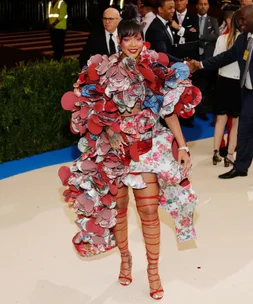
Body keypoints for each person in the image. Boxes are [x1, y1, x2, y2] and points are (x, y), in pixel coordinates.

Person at [59, 4, 200, 300]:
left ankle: (153, 270)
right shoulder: (105, 71)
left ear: (142, 39)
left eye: (137, 37)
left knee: (149, 211)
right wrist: (110, 131)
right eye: (127, 39)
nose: (133, 43)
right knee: (119, 211)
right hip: (114, 153)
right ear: (120, 41)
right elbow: (92, 111)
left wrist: (183, 145)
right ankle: (125, 258)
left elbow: (169, 110)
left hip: (147, 149)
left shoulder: (155, 68)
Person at [188, 4, 253, 179]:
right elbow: (225, 57)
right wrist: (200, 64)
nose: (240, 22)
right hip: (247, 93)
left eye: (244, 19)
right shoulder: (243, 38)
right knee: (244, 130)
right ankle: (240, 167)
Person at [212, 10, 241, 167]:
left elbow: (216, 60)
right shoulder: (244, 40)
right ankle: (230, 154)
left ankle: (216, 153)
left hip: (222, 81)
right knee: (235, 122)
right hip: (237, 84)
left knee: (220, 120)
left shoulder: (221, 39)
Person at [195, 0, 219, 121]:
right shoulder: (192, 18)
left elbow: (216, 35)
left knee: (204, 85)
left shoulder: (213, 20)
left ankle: (202, 110)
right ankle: (191, 111)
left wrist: (199, 36)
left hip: (207, 58)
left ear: (209, 6)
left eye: (205, 4)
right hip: (193, 57)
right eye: (201, 4)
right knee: (193, 84)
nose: (203, 6)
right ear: (196, 5)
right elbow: (188, 35)